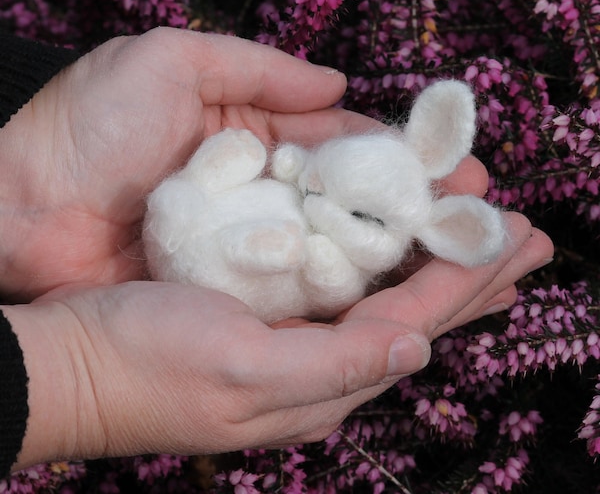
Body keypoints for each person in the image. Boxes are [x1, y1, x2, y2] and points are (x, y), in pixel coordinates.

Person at [0, 27, 553, 476]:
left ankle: (210, 214)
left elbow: (332, 285)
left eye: (357, 213)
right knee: (235, 217)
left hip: (236, 263)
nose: (319, 189)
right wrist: (75, 379)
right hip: (213, 223)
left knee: (277, 251)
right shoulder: (311, 189)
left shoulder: (346, 257)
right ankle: (197, 192)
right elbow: (302, 172)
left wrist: (77, 373)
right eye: (327, 175)